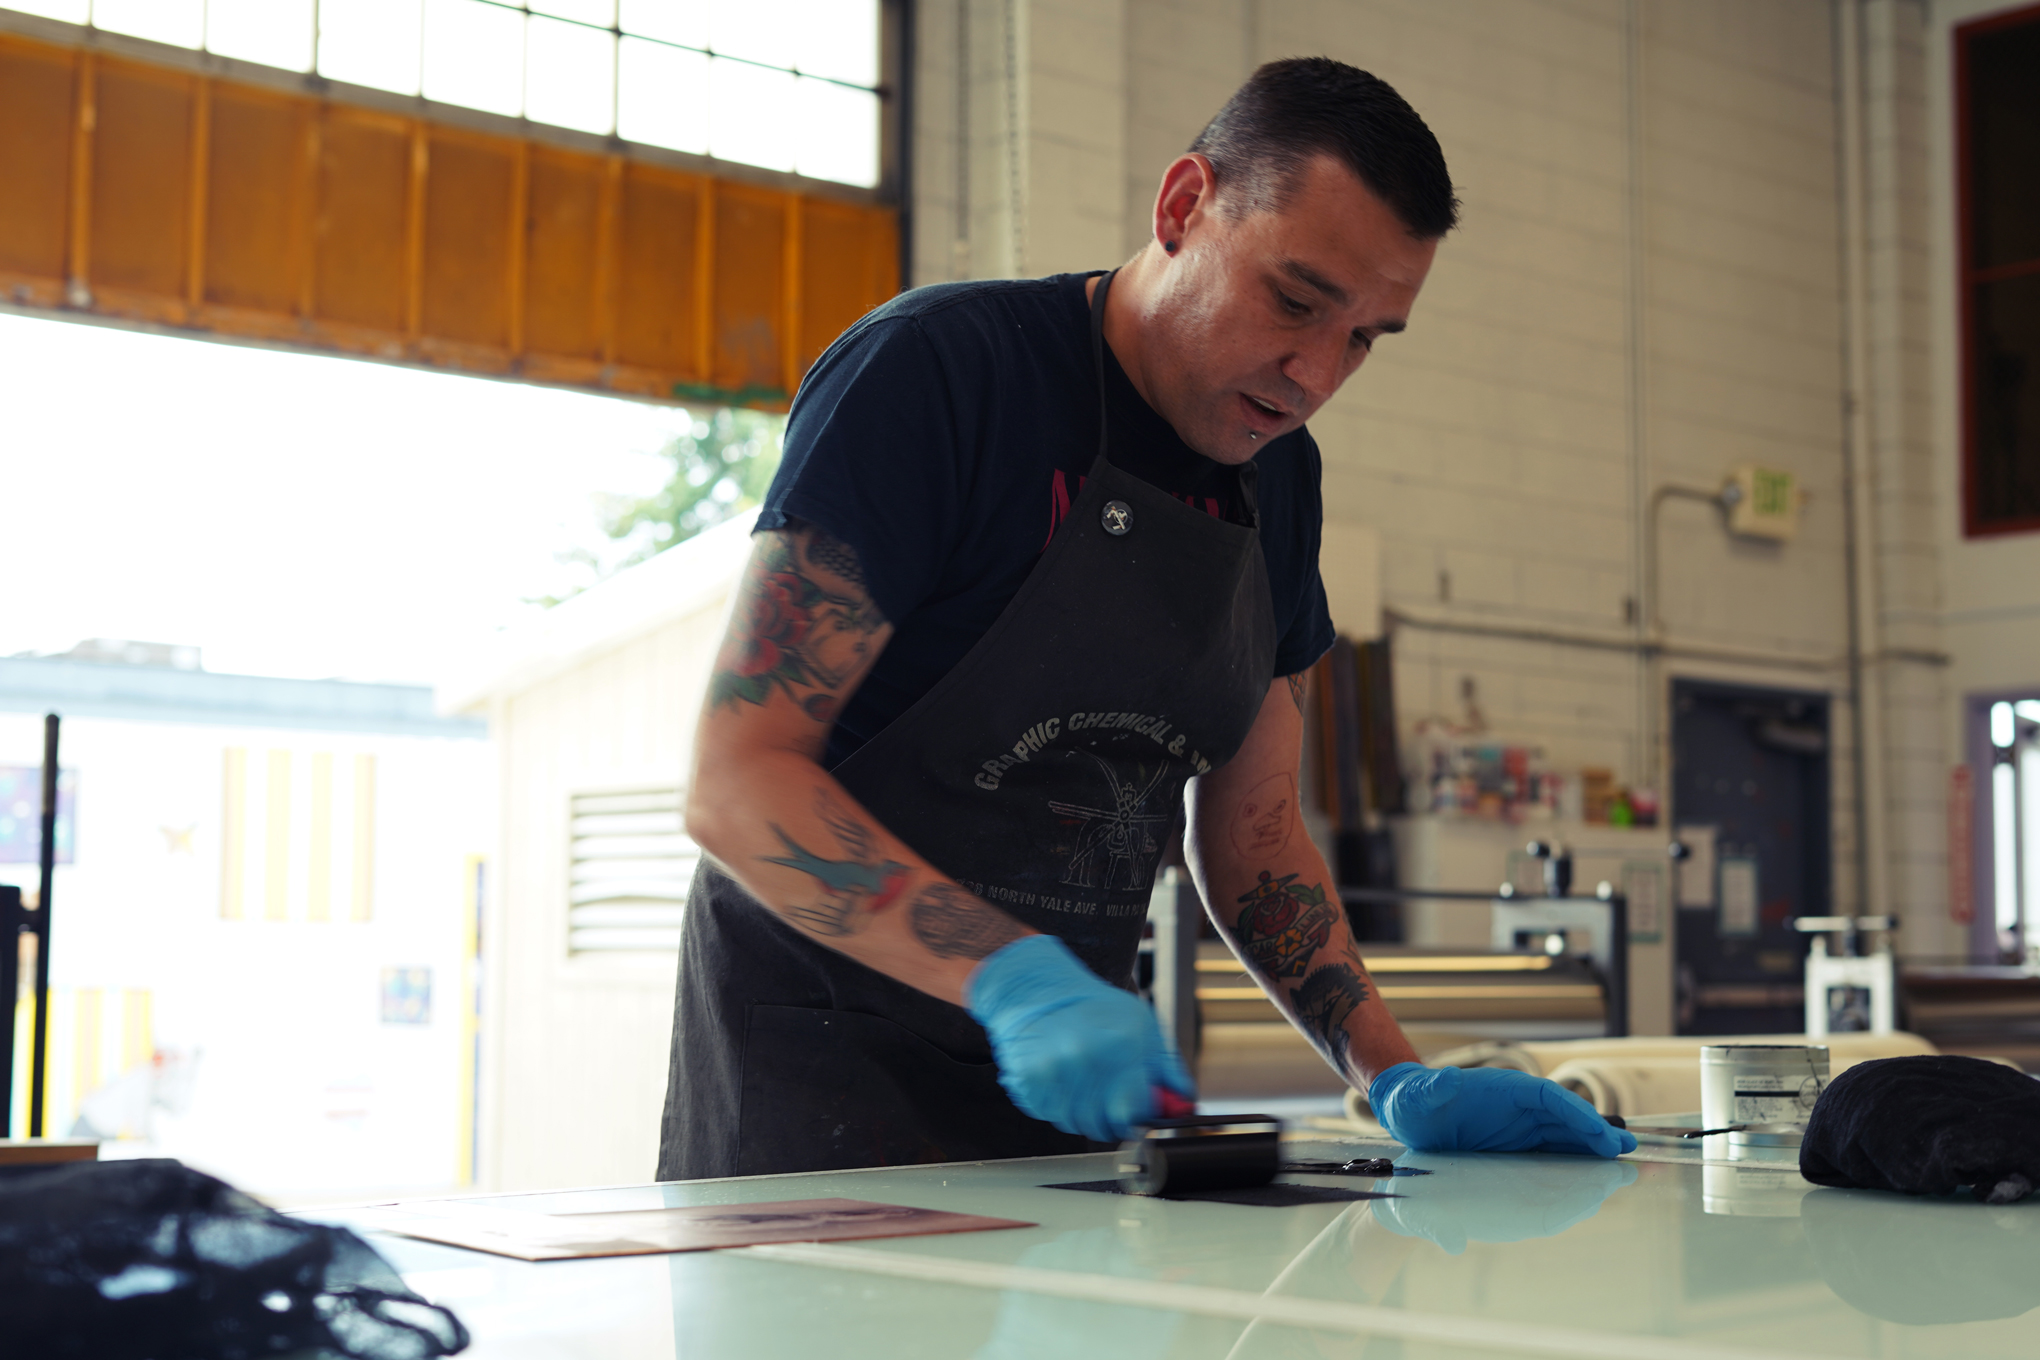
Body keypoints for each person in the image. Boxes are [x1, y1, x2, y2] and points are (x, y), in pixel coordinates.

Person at [657, 57, 1635, 1181]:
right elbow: (740, 776)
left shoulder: (1283, 483)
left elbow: (1255, 834)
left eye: (1366, 336)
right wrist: (1012, 977)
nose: (1316, 371)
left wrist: (1393, 1076)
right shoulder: (940, 377)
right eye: (1297, 299)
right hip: (817, 1106)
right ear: (1182, 208)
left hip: (1073, 1126)